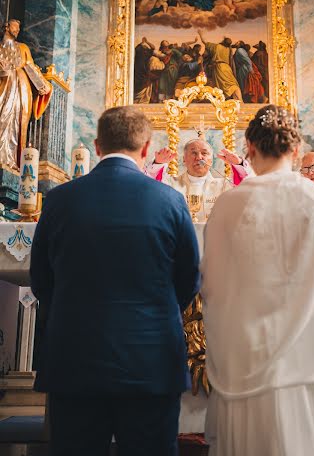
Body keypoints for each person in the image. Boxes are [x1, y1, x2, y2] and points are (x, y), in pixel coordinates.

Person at [202, 104, 314, 456]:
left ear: (249, 148)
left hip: (251, 351)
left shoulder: (230, 203)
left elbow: (214, 287)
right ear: (296, 151)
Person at [30, 106, 200, 456]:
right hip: (151, 361)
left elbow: (41, 280)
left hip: (75, 358)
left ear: (97, 145)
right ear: (147, 148)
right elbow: (187, 279)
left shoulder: (59, 199)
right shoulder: (171, 200)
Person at [146, 139, 250, 222]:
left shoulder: (224, 186)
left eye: (204, 153)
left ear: (211, 160)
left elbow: (246, 189)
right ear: (184, 159)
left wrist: (238, 164)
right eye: (194, 153)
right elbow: (150, 187)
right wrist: (158, 163)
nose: (199, 158)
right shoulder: (170, 185)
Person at [0, 19, 52, 169]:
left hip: (18, 91)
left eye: (19, 27)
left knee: (14, 123)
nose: (17, 29)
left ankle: (10, 160)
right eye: (15, 26)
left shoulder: (22, 48)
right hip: (3, 90)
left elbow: (30, 67)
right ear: (6, 27)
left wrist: (44, 86)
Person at [198, 29, 242, 100]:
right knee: (232, 83)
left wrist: (200, 34)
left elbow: (204, 42)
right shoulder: (229, 49)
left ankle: (235, 100)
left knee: (225, 86)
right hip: (227, 68)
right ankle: (238, 100)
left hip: (219, 68)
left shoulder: (216, 46)